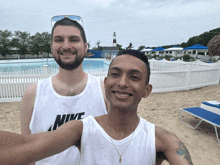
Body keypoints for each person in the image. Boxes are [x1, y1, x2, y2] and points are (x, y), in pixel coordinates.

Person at [0, 50, 193, 165]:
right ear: (106, 82)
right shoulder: (81, 130)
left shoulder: (163, 140)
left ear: (146, 90)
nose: (122, 83)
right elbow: (26, 146)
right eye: (116, 75)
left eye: (134, 77)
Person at [20, 17, 108, 165]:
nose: (66, 46)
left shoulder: (103, 91)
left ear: (85, 46)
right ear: (52, 46)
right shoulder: (33, 94)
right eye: (59, 40)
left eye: (73, 39)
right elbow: (26, 151)